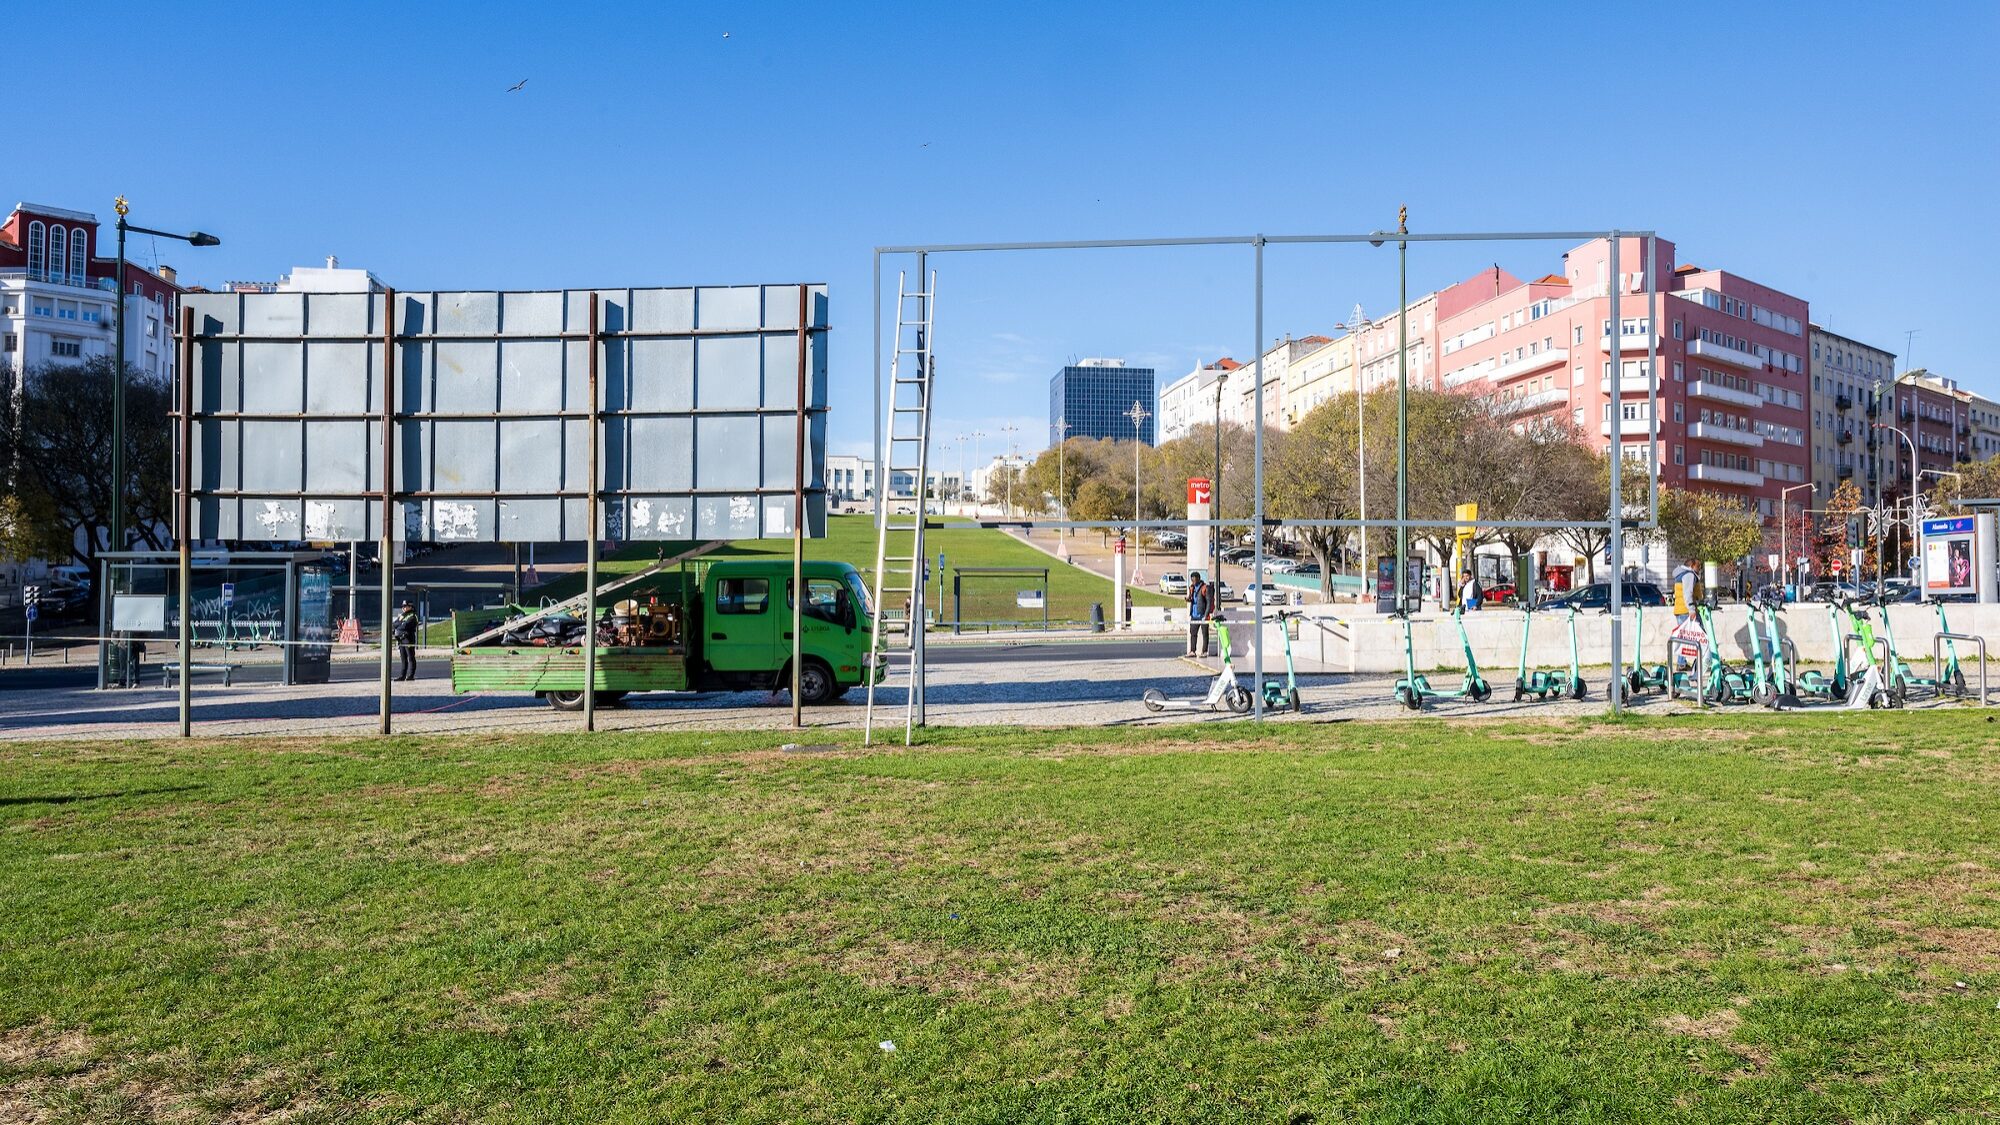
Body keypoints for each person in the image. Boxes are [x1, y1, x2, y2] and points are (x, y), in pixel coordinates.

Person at [393, 601, 419, 681]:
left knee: (411, 657)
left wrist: (400, 625)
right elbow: (394, 624)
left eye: (405, 606)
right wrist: (401, 624)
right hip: (401, 639)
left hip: (408, 638)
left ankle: (411, 675)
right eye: (403, 606)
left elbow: (406, 625)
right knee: (403, 658)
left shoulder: (413, 615)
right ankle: (402, 675)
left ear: (410, 607)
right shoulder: (402, 616)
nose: (403, 608)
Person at [1186, 575, 1211, 657]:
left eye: (1195, 580)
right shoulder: (1192, 588)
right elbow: (1192, 599)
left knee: (1205, 634)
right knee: (1193, 633)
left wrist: (1206, 614)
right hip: (1194, 615)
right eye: (1192, 580)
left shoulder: (1205, 588)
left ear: (1199, 579)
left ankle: (1204, 652)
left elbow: (1209, 602)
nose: (1193, 582)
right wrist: (1188, 599)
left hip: (1203, 615)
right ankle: (1193, 651)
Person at [1671, 558, 1698, 625]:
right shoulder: (1689, 575)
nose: (1699, 568)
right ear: (1692, 566)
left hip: (1679, 610)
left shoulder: (1680, 575)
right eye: (1698, 566)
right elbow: (1688, 593)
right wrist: (1691, 610)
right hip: (1686, 611)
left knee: (1683, 634)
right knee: (1698, 633)